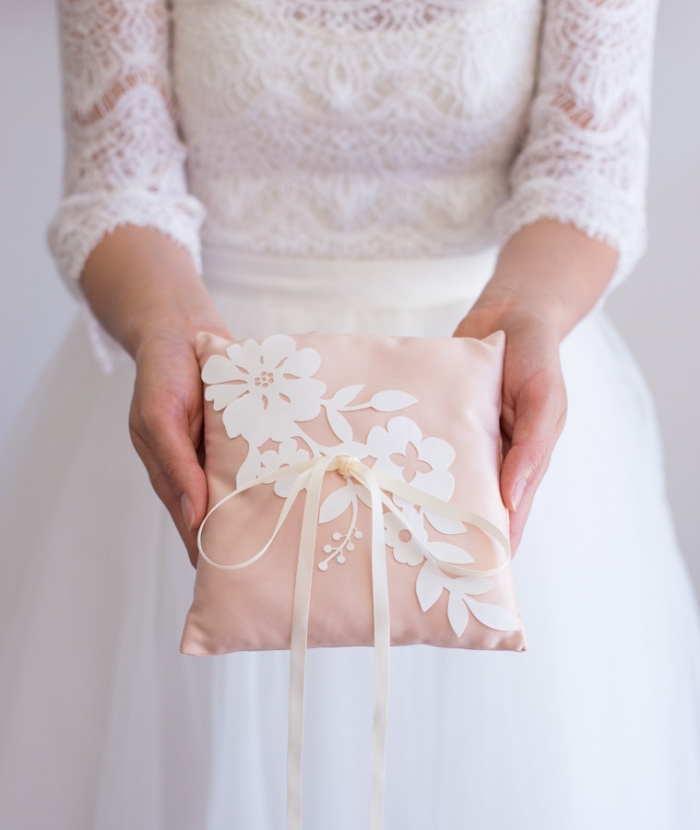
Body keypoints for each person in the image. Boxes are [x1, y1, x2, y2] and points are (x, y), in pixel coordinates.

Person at [1, 1, 699, 828]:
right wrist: (163, 325)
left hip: (485, 392)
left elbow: (587, 167)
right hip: (212, 388)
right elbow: (117, 179)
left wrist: (533, 313)